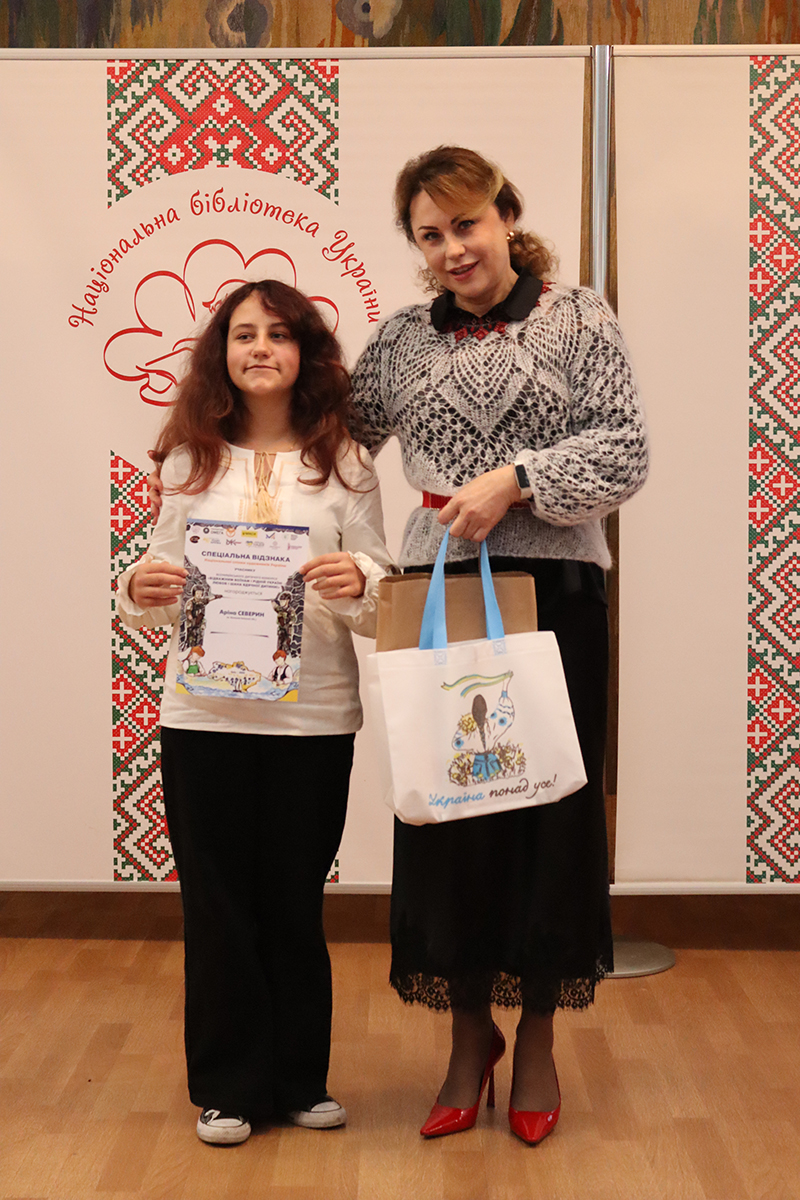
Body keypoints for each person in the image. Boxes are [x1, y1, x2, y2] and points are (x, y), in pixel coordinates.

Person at [350, 146, 648, 1144]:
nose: (453, 249)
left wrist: (514, 480)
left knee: (548, 811)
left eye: (466, 224)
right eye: (430, 235)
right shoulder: (399, 341)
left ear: (505, 215)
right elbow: (334, 440)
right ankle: (468, 1035)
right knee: (451, 813)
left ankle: (538, 1040)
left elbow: (625, 451)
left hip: (557, 598)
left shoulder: (579, 317)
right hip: (436, 594)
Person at [118, 279, 394, 1145]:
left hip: (313, 719)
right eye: (244, 335)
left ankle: (300, 1080)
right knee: (218, 904)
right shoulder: (187, 460)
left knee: (293, 900)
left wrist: (361, 580)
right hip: (203, 719)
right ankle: (229, 1086)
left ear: (306, 352)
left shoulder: (346, 463)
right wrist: (139, 585)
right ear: (222, 353)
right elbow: (156, 585)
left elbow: (381, 594)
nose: (261, 348)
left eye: (279, 334)